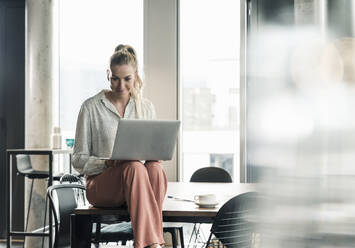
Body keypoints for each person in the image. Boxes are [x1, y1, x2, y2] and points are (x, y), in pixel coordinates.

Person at [72, 44, 167, 248]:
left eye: (127, 79)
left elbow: (152, 154)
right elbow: (78, 161)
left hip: (136, 184)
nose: (121, 85)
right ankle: (153, 244)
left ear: (136, 76)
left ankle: (148, 242)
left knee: (155, 168)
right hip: (102, 186)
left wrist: (155, 153)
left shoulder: (146, 107)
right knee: (133, 166)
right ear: (108, 74)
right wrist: (107, 162)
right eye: (115, 78)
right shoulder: (91, 107)